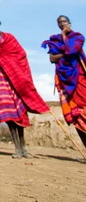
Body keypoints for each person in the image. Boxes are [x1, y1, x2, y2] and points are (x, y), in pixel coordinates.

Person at [0, 15, 49, 159]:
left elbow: (21, 54)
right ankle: (16, 148)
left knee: (20, 111)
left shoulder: (9, 38)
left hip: (15, 77)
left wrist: (16, 68)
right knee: (7, 110)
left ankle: (23, 147)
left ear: (0, 22)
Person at [42, 15, 86, 152]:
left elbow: (73, 50)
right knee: (75, 116)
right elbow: (52, 58)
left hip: (79, 78)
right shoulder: (55, 40)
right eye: (59, 23)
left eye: (64, 22)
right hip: (63, 79)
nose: (62, 24)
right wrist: (65, 49)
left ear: (70, 23)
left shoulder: (78, 37)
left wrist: (65, 40)